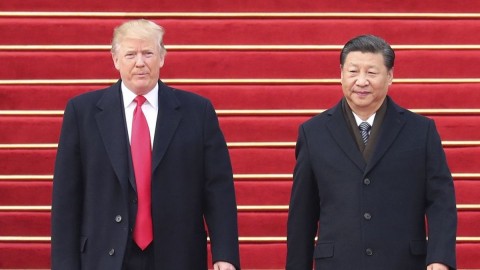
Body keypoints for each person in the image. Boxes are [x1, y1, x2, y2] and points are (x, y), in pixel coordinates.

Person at [51, 19, 240, 270]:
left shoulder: (197, 111)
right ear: (116, 60)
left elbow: (218, 189)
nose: (140, 62)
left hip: (178, 256)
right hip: (103, 256)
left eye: (148, 53)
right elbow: (66, 198)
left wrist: (224, 254)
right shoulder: (82, 112)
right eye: (131, 54)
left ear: (162, 57)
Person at [286, 35, 457, 270]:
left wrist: (440, 259)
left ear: (390, 76)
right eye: (353, 71)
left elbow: (441, 200)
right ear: (341, 74)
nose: (362, 81)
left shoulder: (421, 131)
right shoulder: (313, 133)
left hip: (403, 262)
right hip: (338, 263)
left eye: (372, 73)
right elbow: (302, 214)